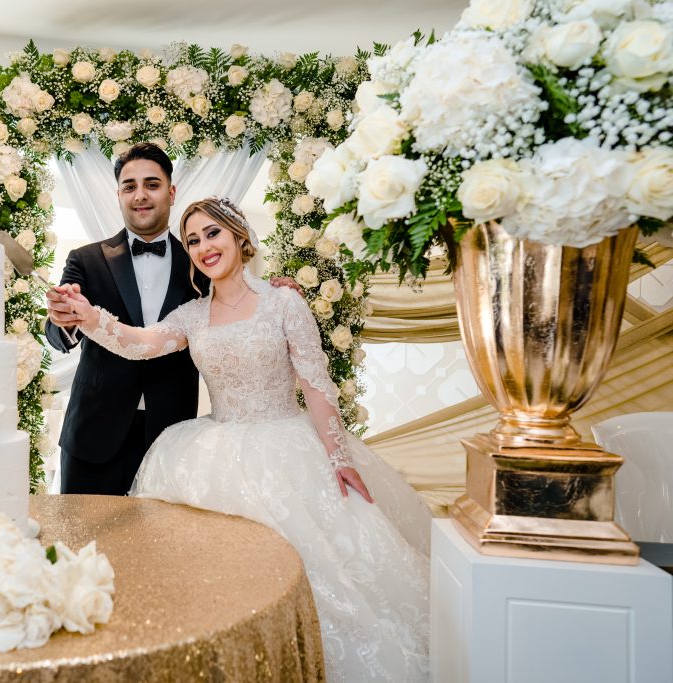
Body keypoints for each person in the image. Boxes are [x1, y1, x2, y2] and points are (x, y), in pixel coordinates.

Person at [54, 197, 431, 682]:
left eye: (213, 233)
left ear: (238, 236)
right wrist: (88, 316)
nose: (203, 246)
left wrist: (339, 458)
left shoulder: (283, 301)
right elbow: (140, 344)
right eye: (192, 240)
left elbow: (317, 387)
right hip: (215, 450)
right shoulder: (191, 315)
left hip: (288, 448)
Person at [44, 143, 207, 495]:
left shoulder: (200, 264)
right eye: (129, 186)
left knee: (161, 546)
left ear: (171, 191)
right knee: (83, 545)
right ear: (118, 195)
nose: (140, 195)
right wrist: (64, 320)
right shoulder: (85, 259)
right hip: (93, 437)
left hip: (170, 438)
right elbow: (56, 333)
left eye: (152, 184)